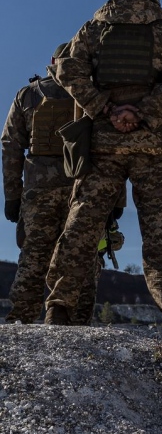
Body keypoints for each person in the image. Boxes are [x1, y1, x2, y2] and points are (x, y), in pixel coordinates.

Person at [44, 0, 162, 331]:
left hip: (103, 142)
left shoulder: (92, 28)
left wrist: (105, 109)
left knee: (83, 224)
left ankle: (59, 307)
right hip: (152, 145)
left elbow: (67, 69)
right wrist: (144, 113)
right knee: (161, 229)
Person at [3, 44, 100, 324]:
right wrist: (115, 201)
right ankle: (75, 317)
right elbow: (109, 149)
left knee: (35, 251)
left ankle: (21, 316)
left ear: (52, 61)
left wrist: (12, 194)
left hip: (39, 186)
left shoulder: (28, 94)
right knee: (83, 251)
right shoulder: (91, 94)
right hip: (81, 184)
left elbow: (10, 145)